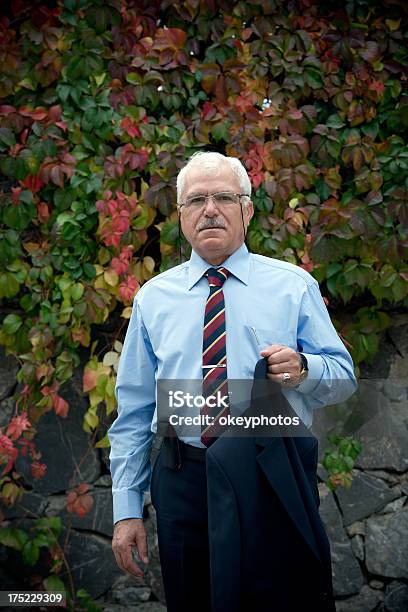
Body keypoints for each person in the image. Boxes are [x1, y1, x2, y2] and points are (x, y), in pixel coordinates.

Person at [108, 151, 357, 610]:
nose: (210, 209)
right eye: (196, 199)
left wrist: (304, 369)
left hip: (269, 472)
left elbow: (343, 377)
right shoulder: (153, 299)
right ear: (181, 215)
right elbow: (135, 412)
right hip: (183, 480)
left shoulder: (292, 286)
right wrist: (127, 510)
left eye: (224, 196)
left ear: (247, 209)